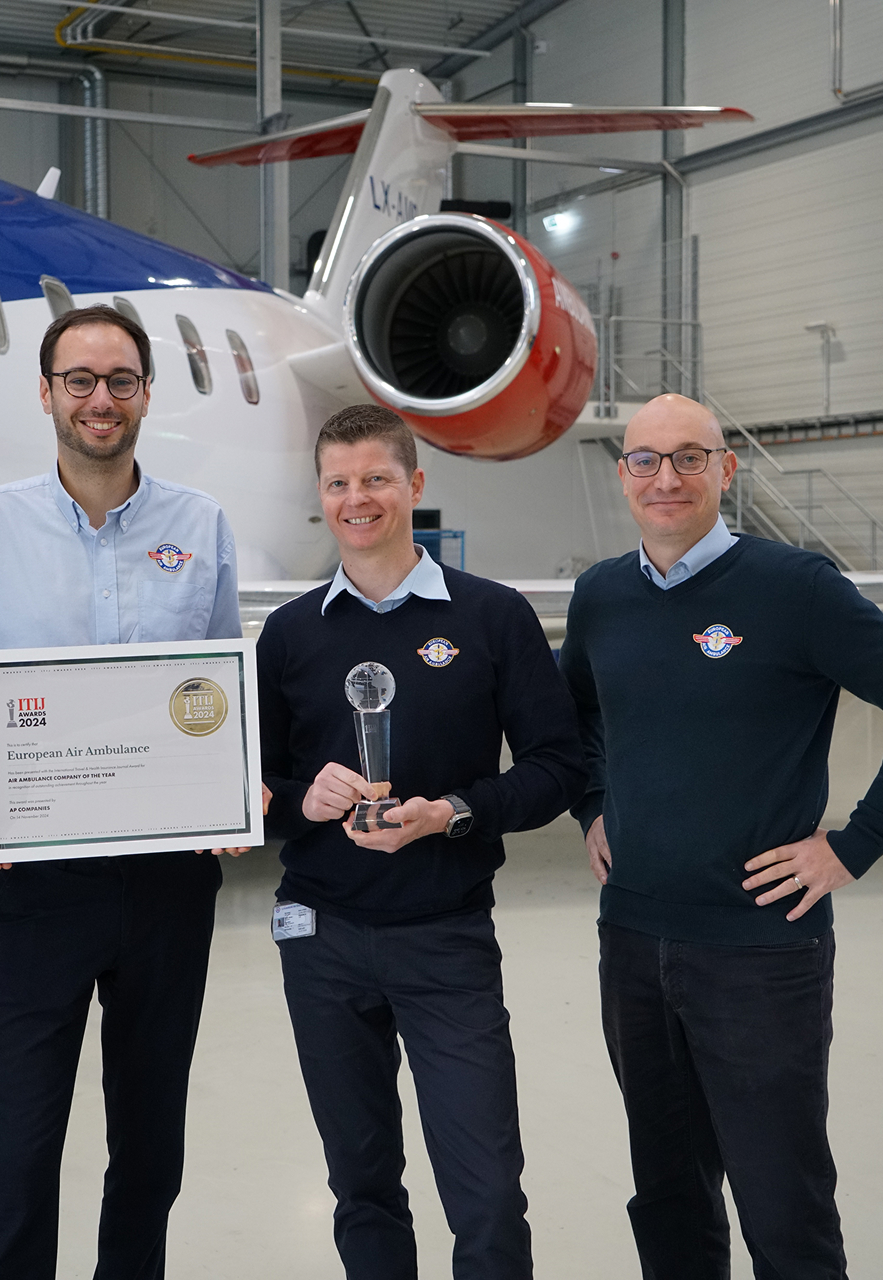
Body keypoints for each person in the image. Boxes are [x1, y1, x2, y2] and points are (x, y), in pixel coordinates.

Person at [0, 304, 243, 1280]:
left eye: (119, 380)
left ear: (146, 392)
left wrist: (228, 783)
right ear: (46, 392)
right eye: (79, 379)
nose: (99, 399)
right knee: (21, 1143)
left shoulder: (202, 524)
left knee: (149, 1140)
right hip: (41, 879)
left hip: (166, 884)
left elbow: (218, 679)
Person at [256, 403, 585, 1279]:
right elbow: (253, 796)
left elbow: (557, 767)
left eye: (376, 478)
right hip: (320, 945)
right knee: (361, 1186)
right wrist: (305, 798)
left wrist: (456, 813)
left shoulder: (491, 616)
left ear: (415, 485)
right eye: (338, 482)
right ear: (320, 494)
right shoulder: (289, 634)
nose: (356, 498)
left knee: (485, 1194)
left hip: (447, 940)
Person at [559, 392, 883, 1279]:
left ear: (725, 470)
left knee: (783, 1205)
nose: (666, 478)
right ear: (622, 473)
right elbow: (573, 715)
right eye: (645, 460)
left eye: (688, 457)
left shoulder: (796, 589)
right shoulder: (601, 596)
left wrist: (853, 846)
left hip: (759, 953)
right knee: (666, 1195)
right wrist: (592, 803)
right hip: (631, 943)